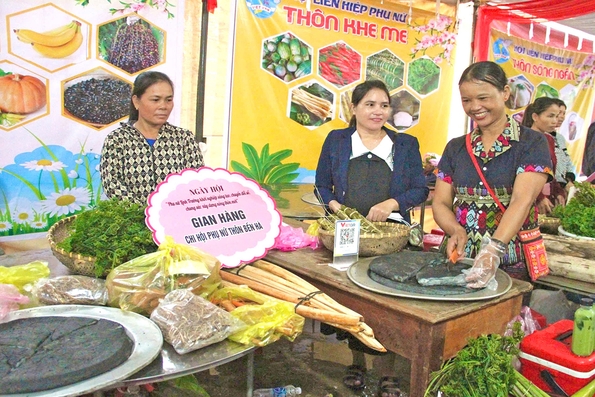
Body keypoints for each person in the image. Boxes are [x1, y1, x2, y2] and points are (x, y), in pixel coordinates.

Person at [315, 79, 428, 397]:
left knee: (388, 304)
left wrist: (392, 204)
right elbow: (321, 185)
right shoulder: (337, 140)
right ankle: (357, 362)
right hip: (349, 232)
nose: (378, 111)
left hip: (391, 234)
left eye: (384, 105)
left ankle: (388, 372)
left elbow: (419, 189)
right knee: (352, 300)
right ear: (354, 108)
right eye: (370, 104)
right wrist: (337, 207)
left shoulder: (405, 145)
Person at [432, 61, 553, 287]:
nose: (474, 107)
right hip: (461, 256)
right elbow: (440, 201)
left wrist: (493, 250)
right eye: (466, 100)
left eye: (483, 98)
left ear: (505, 93)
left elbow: (522, 200)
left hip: (510, 258)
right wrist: (454, 228)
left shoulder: (531, 142)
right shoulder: (456, 147)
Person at [100, 71, 204, 204]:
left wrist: (173, 211)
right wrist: (145, 213)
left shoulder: (184, 138)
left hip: (177, 219)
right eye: (155, 100)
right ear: (136, 101)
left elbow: (196, 181)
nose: (163, 106)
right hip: (132, 220)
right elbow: (112, 184)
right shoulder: (117, 139)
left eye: (168, 100)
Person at [521, 97, 566, 214]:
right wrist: (539, 197)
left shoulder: (550, 140)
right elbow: (522, 176)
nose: (555, 121)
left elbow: (550, 172)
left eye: (556, 116)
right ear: (535, 117)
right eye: (550, 116)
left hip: (547, 202)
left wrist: (558, 192)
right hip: (526, 202)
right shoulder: (524, 140)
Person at [549, 98, 574, 187]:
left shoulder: (560, 138)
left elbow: (567, 158)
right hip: (550, 185)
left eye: (564, 113)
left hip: (563, 184)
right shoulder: (540, 137)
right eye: (559, 113)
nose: (562, 116)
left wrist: (569, 179)